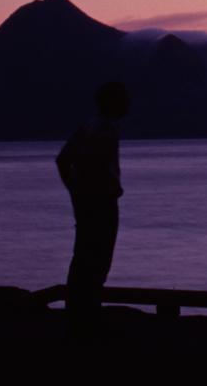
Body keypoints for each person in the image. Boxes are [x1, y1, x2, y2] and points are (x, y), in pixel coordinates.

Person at [57, 80, 129, 330]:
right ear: (112, 102)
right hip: (101, 203)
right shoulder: (104, 130)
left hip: (89, 202)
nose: (127, 104)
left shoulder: (88, 126)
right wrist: (92, 192)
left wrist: (75, 194)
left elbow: (63, 160)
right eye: (122, 99)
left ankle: (78, 311)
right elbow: (88, 164)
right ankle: (85, 317)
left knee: (84, 258)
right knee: (97, 260)